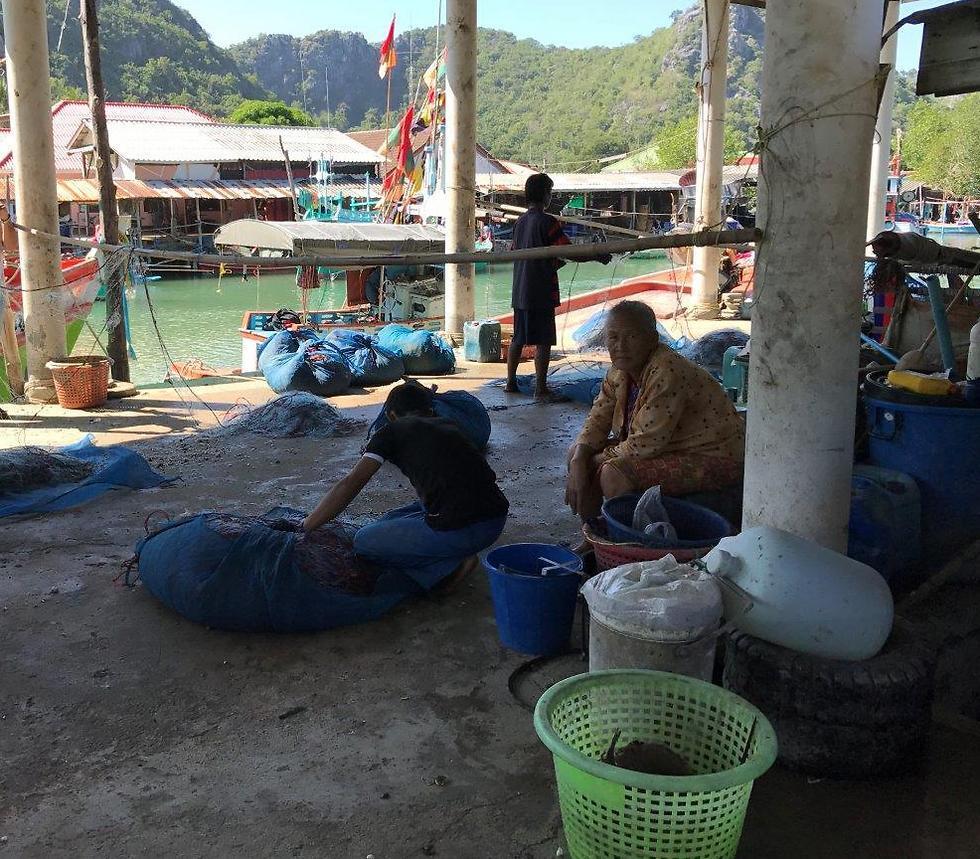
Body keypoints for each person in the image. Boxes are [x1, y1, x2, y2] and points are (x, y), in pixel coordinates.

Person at [302, 381, 509, 590]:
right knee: (392, 518)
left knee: (364, 542)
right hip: (496, 520)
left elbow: (350, 484)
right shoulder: (449, 424)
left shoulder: (390, 432)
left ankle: (447, 568)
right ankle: (452, 548)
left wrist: (306, 526)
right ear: (430, 411)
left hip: (465, 531)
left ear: (391, 415)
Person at [565, 300, 745, 523]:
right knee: (576, 452)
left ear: (652, 339)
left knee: (613, 473)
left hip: (715, 454)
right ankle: (592, 534)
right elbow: (598, 418)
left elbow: (643, 445)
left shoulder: (667, 370)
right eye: (613, 337)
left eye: (631, 337)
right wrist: (579, 458)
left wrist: (591, 462)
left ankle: (627, 540)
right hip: (670, 446)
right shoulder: (618, 372)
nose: (621, 345)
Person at [505, 173, 610, 399]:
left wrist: (552, 262)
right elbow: (568, 251)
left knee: (518, 337)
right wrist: (596, 256)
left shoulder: (520, 222)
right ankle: (541, 389)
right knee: (543, 340)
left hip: (520, 290)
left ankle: (510, 383)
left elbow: (518, 252)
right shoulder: (548, 221)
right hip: (541, 290)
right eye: (550, 192)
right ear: (545, 195)